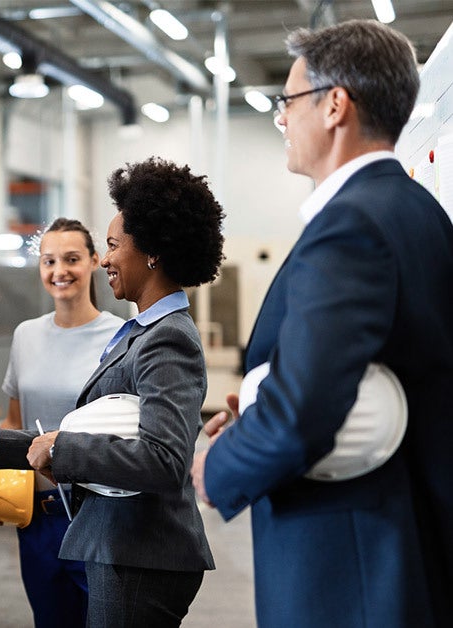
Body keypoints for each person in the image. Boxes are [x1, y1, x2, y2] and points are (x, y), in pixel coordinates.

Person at [190, 19, 453, 628]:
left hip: (349, 569)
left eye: (288, 101)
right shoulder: (417, 212)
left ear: (335, 105)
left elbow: (305, 412)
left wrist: (220, 468)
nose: (282, 119)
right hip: (402, 547)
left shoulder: (350, 226)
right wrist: (260, 405)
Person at [0, 157, 223, 627]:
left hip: (139, 553)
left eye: (112, 246)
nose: (105, 260)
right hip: (120, 545)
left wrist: (60, 449)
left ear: (153, 253)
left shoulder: (167, 336)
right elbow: (95, 429)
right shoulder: (140, 332)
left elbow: (164, 459)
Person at [0, 218, 123, 627]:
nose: (59, 271)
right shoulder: (26, 335)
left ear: (94, 261)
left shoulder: (120, 338)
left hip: (96, 513)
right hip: (36, 516)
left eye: (71, 259)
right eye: (49, 261)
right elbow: (14, 417)